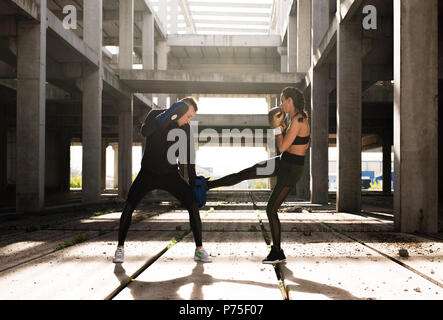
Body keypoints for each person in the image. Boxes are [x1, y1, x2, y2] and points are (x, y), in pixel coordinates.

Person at [206, 87, 310, 264]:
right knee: (246, 173)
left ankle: (277, 251)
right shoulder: (294, 118)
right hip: (284, 161)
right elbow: (299, 146)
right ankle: (208, 185)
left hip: (291, 169)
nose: (280, 104)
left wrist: (277, 129)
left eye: (282, 100)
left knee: (271, 209)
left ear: (290, 101)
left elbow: (283, 146)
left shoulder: (299, 120)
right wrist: (282, 127)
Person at [113, 97, 212, 264]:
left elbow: (188, 156)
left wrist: (194, 180)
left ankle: (199, 250)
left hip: (170, 175)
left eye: (191, 118)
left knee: (193, 206)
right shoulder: (156, 115)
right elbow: (146, 131)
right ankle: (119, 248)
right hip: (148, 174)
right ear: (180, 109)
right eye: (188, 115)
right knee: (129, 206)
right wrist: (169, 114)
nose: (188, 120)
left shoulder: (186, 129)